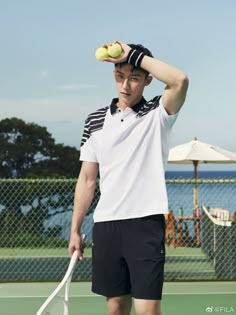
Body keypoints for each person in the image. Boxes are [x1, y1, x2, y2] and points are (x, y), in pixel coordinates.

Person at [68, 40, 189, 315]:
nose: (126, 85)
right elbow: (87, 179)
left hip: (145, 224)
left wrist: (132, 55)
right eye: (120, 76)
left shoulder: (158, 113)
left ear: (148, 80)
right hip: (107, 226)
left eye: (134, 78)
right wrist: (75, 229)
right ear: (114, 75)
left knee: (148, 311)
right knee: (116, 309)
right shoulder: (94, 121)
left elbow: (180, 80)